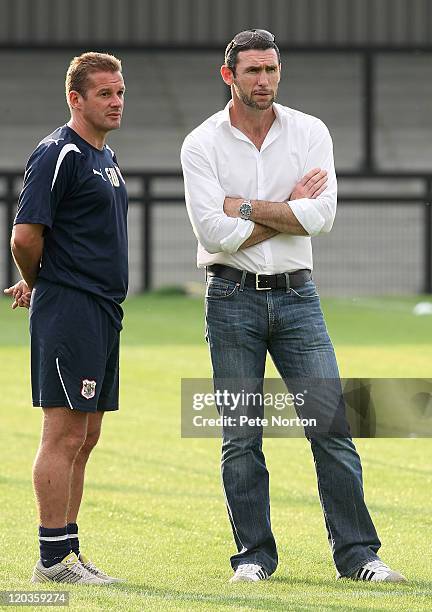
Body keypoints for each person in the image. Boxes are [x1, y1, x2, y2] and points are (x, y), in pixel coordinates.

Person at [181, 29, 406, 584]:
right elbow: (211, 230)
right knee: (241, 435)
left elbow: (321, 218)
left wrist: (248, 210)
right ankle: (253, 557)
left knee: (331, 426)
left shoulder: (310, 131)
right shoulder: (201, 143)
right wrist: (287, 207)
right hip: (229, 297)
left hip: (298, 297)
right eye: (253, 71)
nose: (264, 81)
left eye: (271, 70)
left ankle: (359, 556)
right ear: (228, 74)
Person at [4, 52, 128, 585]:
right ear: (75, 99)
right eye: (104, 93)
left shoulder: (107, 157)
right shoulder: (59, 153)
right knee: (62, 433)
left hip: (103, 309)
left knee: (88, 433)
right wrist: (38, 281)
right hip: (71, 308)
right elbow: (24, 236)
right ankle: (51, 560)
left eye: (120, 92)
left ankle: (69, 552)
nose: (116, 101)